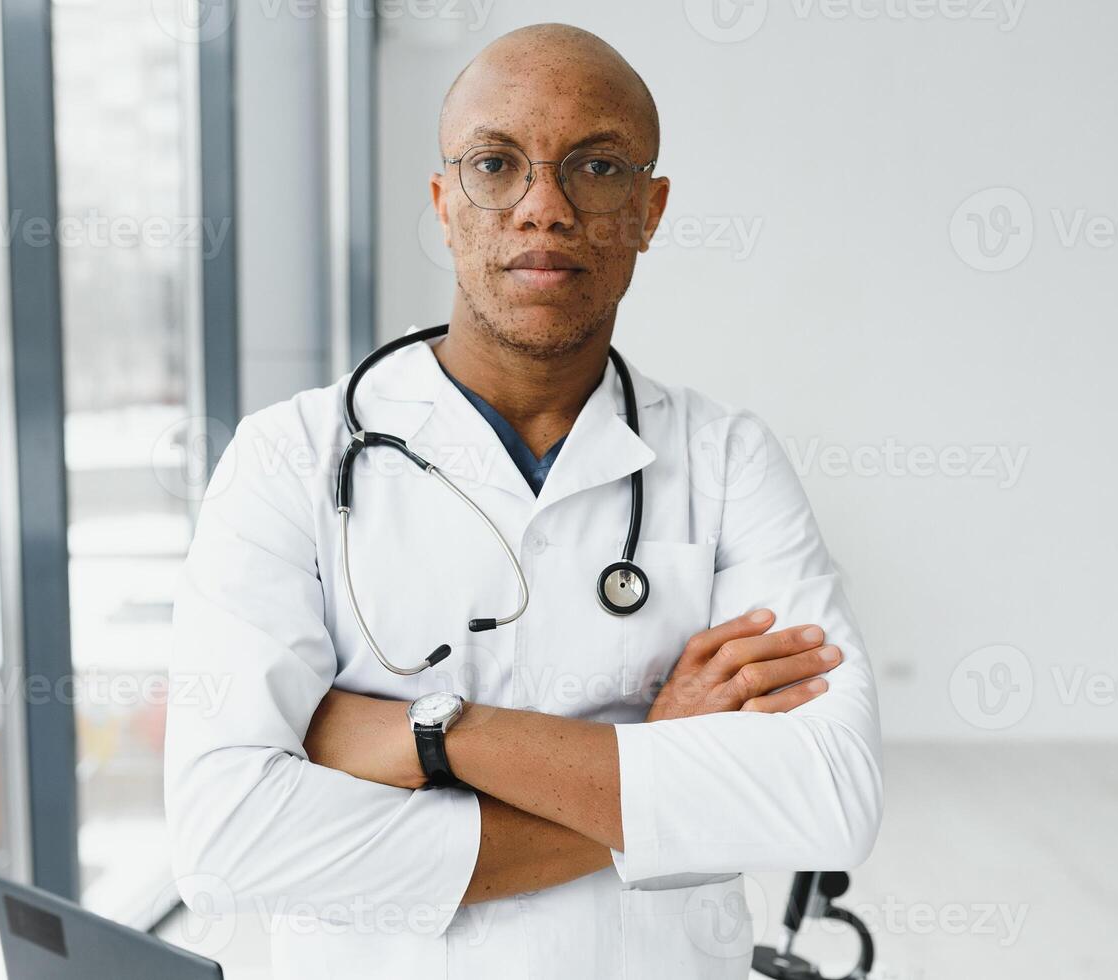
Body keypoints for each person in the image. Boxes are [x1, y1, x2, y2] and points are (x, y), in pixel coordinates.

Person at [164, 22, 882, 980]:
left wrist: (429, 733)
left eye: (597, 166)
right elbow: (228, 838)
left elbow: (830, 794)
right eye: (497, 163)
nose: (544, 206)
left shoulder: (726, 458)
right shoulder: (288, 457)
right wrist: (660, 761)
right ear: (444, 203)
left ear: (651, 209)